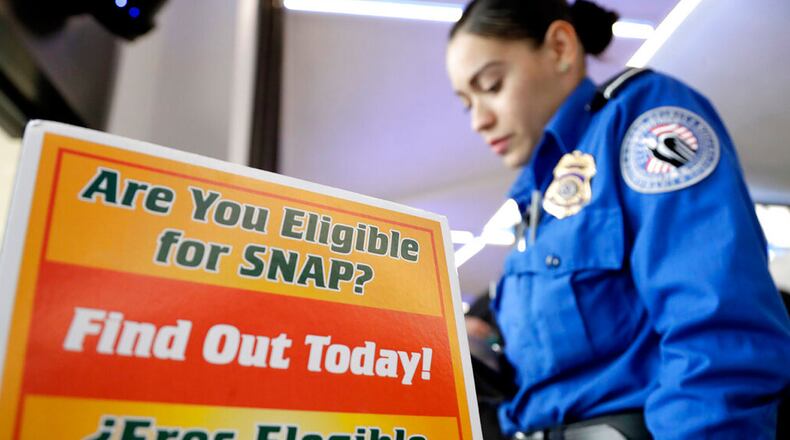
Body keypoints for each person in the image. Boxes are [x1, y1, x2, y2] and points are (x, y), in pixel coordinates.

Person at [445, 1, 790, 438]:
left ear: (560, 48)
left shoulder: (641, 123)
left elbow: (717, 334)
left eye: (491, 85)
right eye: (466, 103)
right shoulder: (536, 204)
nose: (479, 119)